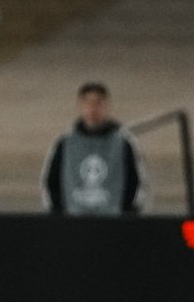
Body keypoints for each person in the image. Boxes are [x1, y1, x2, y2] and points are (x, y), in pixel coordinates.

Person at [41, 82, 145, 216]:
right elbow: (51, 181)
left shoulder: (123, 144)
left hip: (113, 220)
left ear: (106, 105)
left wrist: (128, 214)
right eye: (88, 102)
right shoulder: (65, 143)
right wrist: (58, 214)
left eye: (98, 102)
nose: (92, 108)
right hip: (74, 220)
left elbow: (136, 181)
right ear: (80, 105)